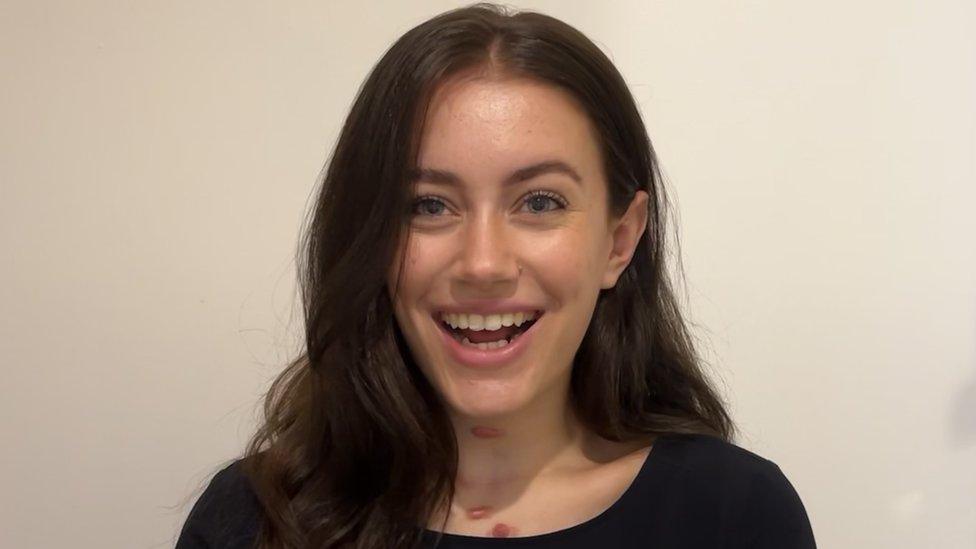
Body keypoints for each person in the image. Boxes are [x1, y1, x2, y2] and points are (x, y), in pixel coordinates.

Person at [175, 3, 816, 548]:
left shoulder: (736, 515)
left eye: (540, 202)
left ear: (620, 239)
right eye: (428, 205)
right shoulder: (252, 520)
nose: (483, 263)